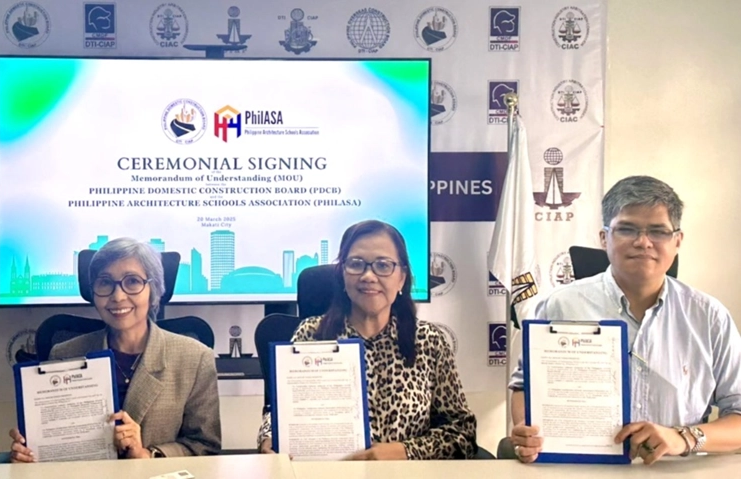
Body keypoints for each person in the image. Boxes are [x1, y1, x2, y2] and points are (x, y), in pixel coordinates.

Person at [508, 176, 741, 464]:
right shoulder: (560, 305)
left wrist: (683, 437)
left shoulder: (709, 317)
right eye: (627, 229)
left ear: (677, 241)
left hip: (677, 471)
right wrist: (527, 431)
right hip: (579, 470)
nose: (643, 242)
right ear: (604, 238)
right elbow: (523, 387)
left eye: (658, 231)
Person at [258, 220, 477, 460]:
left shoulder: (428, 341)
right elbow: (279, 411)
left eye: (383, 265)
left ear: (402, 278)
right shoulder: (312, 334)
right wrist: (269, 436)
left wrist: (404, 451)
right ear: (342, 274)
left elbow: (462, 433)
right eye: (356, 264)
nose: (368, 276)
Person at [9, 238, 221, 461]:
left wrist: (148, 455)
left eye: (132, 282)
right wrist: (28, 453)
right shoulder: (64, 354)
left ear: (154, 289)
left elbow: (204, 446)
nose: (118, 296)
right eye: (105, 283)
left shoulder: (195, 358)